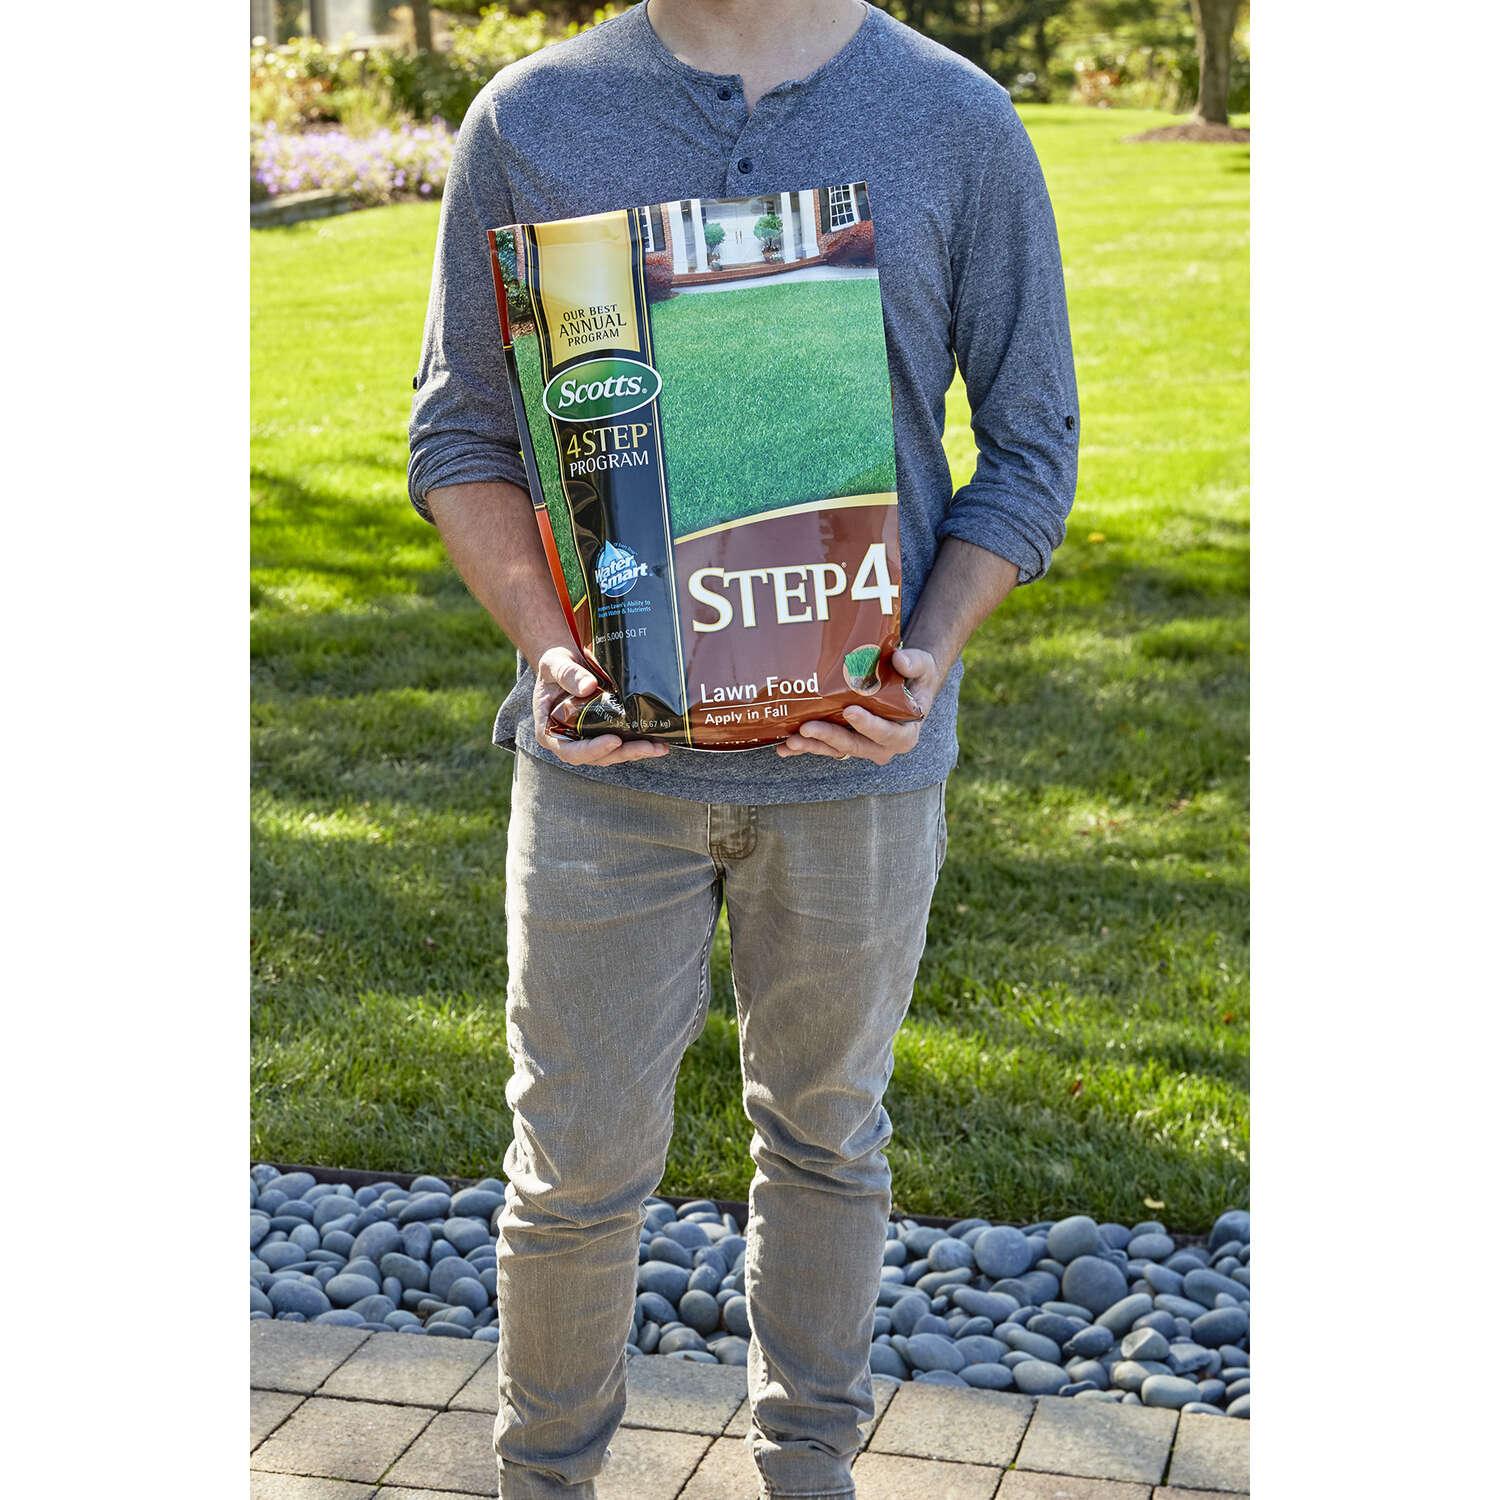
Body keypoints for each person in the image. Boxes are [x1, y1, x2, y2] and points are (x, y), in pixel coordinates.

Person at [407, 2, 1078, 1495]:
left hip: (858, 770)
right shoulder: (533, 118)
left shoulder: (956, 122)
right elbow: (461, 437)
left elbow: (1032, 446)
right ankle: (545, 1481)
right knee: (573, 1166)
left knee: (828, 1140)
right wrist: (552, 650)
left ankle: (808, 1471)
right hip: (604, 777)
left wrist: (925, 655)